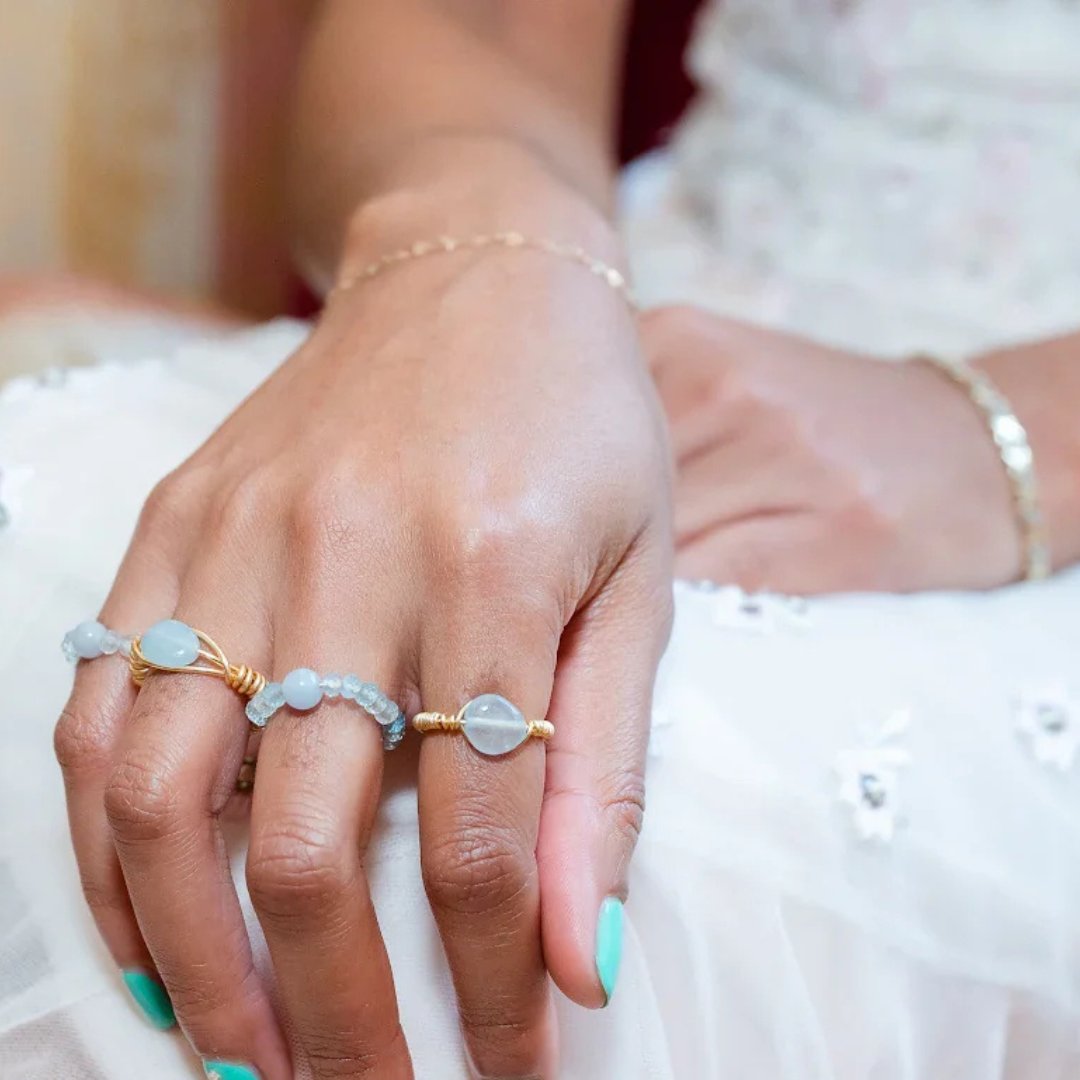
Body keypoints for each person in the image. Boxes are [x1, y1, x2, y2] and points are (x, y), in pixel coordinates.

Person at [1, 1, 1078, 1077]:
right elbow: (481, 26)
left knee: (630, 843)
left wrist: (1013, 433)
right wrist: (489, 256)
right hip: (626, 316)